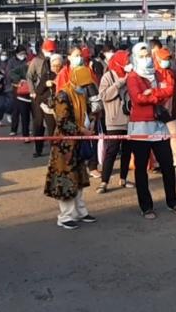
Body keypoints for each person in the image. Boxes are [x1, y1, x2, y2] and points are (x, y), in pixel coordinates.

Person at [126, 43, 176, 219]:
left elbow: (169, 90)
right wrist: (156, 93)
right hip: (140, 127)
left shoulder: (159, 73)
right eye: (142, 56)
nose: (146, 59)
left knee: (167, 164)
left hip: (159, 125)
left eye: (147, 56)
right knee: (141, 168)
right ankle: (146, 206)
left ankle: (172, 201)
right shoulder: (132, 77)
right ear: (136, 57)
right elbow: (137, 99)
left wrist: (150, 93)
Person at [44, 67, 98, 230]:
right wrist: (83, 130)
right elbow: (63, 122)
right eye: (83, 83)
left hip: (78, 143)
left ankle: (80, 212)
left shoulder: (81, 94)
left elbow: (85, 113)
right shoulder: (63, 95)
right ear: (75, 80)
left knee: (79, 180)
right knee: (66, 180)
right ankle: (65, 216)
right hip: (65, 146)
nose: (85, 87)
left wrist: (92, 118)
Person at [97, 50, 135, 193]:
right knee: (111, 151)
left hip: (130, 119)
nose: (128, 64)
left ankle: (123, 179)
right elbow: (104, 95)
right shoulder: (108, 76)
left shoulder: (132, 75)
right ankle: (104, 181)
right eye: (126, 61)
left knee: (127, 151)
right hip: (113, 120)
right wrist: (119, 83)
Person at [156, 47, 176, 173]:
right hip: (156, 111)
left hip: (171, 110)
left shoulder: (172, 73)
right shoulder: (153, 74)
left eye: (168, 59)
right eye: (164, 59)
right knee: (157, 139)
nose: (167, 61)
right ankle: (157, 163)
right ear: (157, 59)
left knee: (175, 136)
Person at [27, 40, 56, 157]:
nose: (52, 52)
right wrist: (32, 91)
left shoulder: (55, 61)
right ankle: (38, 149)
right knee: (38, 124)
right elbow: (29, 76)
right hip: (38, 95)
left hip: (50, 96)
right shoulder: (36, 61)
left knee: (51, 124)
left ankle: (53, 150)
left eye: (53, 51)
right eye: (50, 51)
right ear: (43, 50)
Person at [8, 45, 31, 142]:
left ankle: (26, 130)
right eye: (21, 53)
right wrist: (18, 80)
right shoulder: (12, 61)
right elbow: (9, 73)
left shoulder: (27, 61)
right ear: (17, 53)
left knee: (26, 112)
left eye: (24, 53)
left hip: (27, 89)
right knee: (16, 110)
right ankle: (14, 128)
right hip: (16, 88)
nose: (23, 55)